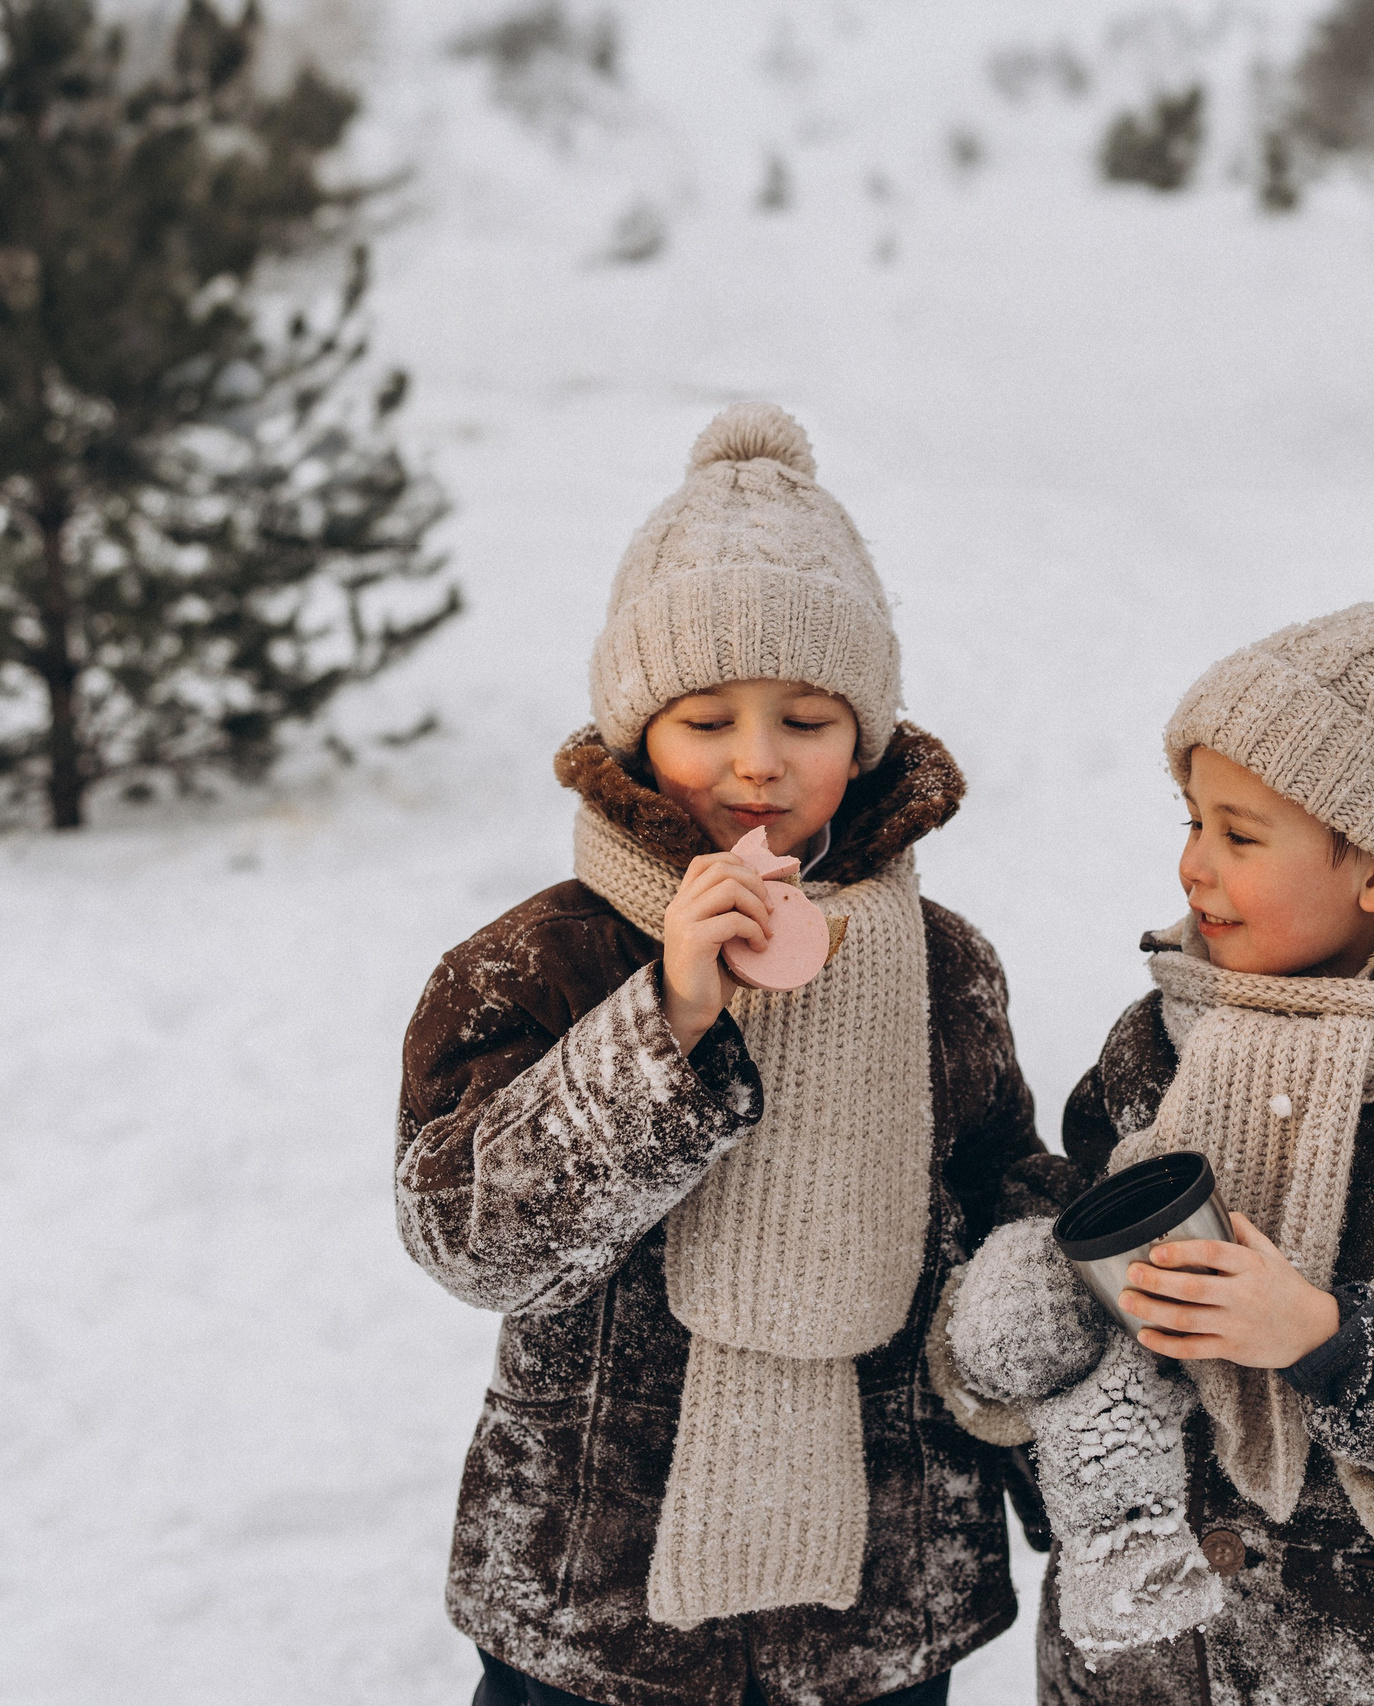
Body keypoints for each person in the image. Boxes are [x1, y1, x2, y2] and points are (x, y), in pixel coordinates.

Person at [931, 532, 1374, 1705]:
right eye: (1189, 816)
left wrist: (1333, 1339)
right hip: (1153, 1660)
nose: (1191, 865)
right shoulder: (1158, 1037)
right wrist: (1031, 1289)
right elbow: (1077, 1223)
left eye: (1239, 833)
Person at [395, 403, 1048, 1706]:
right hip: (600, 1601)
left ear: (862, 738)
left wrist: (1063, 1282)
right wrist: (664, 1019)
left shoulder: (945, 963)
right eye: (708, 719)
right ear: (638, 732)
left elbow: (992, 1195)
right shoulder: (537, 960)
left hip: (876, 1595)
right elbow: (469, 1233)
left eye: (805, 716)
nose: (758, 763)